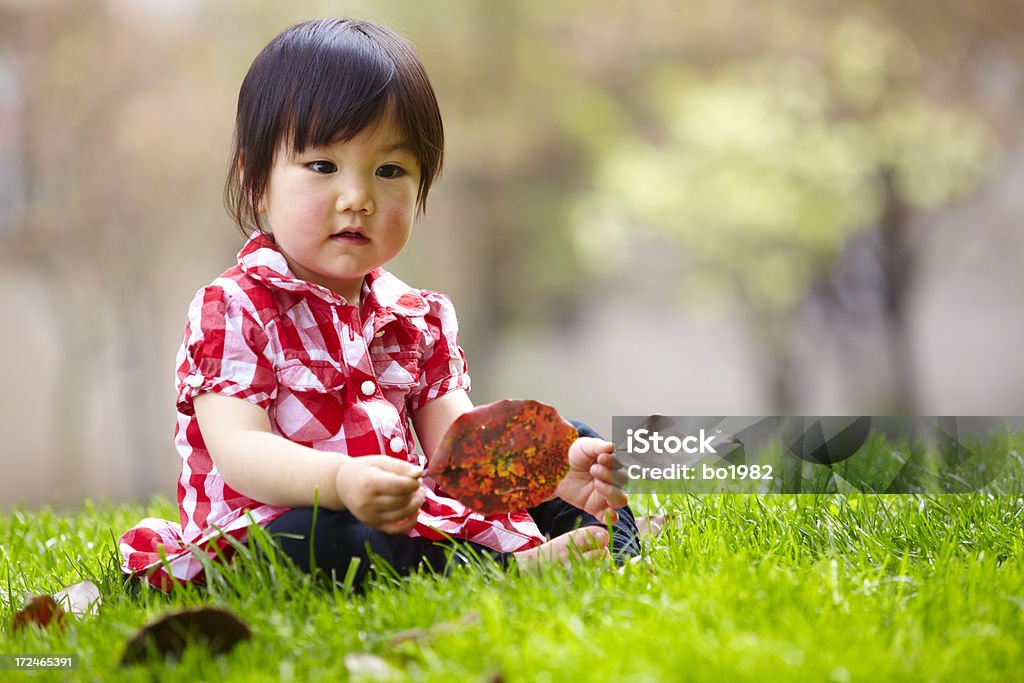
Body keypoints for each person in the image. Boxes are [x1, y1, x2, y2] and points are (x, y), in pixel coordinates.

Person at [119, 18, 639, 591]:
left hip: (402, 516)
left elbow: (457, 446)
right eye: (322, 166)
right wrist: (340, 481)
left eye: (389, 170)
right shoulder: (235, 308)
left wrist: (540, 473)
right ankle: (508, 572)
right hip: (282, 527)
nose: (358, 197)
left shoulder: (417, 316)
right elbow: (240, 450)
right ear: (256, 182)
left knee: (567, 443)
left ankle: (614, 552)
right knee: (333, 538)